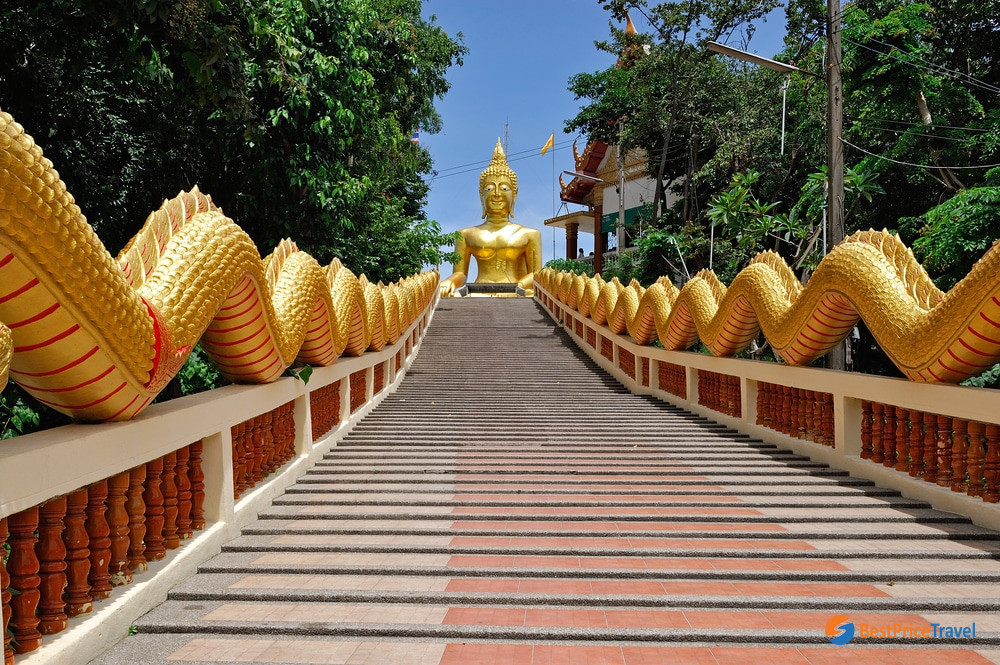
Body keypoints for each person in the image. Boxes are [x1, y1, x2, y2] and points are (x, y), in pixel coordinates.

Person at [439, 139, 542, 297]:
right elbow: (460, 274)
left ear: (514, 195)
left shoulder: (529, 234)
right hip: (478, 294)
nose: (496, 194)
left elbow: (537, 274)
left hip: (516, 294)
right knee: (455, 296)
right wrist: (450, 281)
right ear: (481, 196)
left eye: (504, 188)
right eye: (489, 188)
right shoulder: (466, 234)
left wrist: (518, 286)